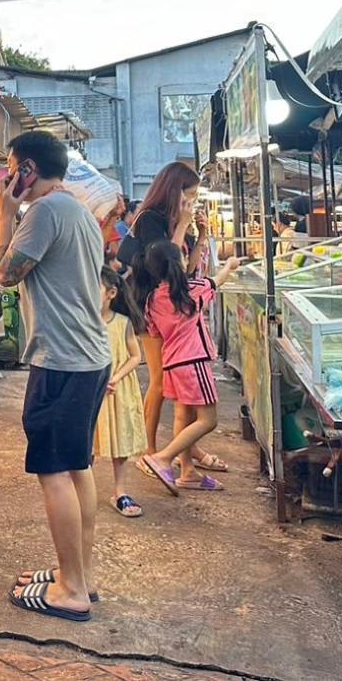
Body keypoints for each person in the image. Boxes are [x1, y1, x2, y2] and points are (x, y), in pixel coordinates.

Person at [0, 130, 109, 624]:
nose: (4, 177)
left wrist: (4, 215)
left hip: (62, 360)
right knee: (77, 466)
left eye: (9, 167)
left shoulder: (42, 212)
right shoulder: (78, 209)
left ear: (28, 171)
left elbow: (5, 272)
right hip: (88, 356)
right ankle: (77, 574)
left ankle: (72, 590)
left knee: (53, 470)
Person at [119, 162, 224, 469]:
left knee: (182, 384)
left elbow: (187, 270)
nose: (190, 202)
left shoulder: (178, 220)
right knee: (160, 383)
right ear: (173, 191)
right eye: (188, 195)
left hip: (174, 313)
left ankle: (188, 451)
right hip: (150, 310)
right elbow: (166, 264)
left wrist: (201, 235)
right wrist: (182, 226)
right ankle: (147, 451)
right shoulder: (150, 219)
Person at [139, 241, 241, 495]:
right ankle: (163, 458)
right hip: (194, 362)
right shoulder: (191, 289)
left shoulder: (151, 300)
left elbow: (155, 332)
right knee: (208, 420)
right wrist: (230, 264)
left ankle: (188, 472)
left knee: (183, 416)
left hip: (172, 364)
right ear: (180, 261)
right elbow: (218, 280)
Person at [93, 266, 146, 519]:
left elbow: (136, 356)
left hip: (116, 389)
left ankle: (120, 491)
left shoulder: (122, 323)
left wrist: (114, 378)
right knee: (87, 442)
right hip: (91, 388)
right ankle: (82, 491)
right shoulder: (84, 321)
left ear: (111, 293)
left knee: (120, 442)